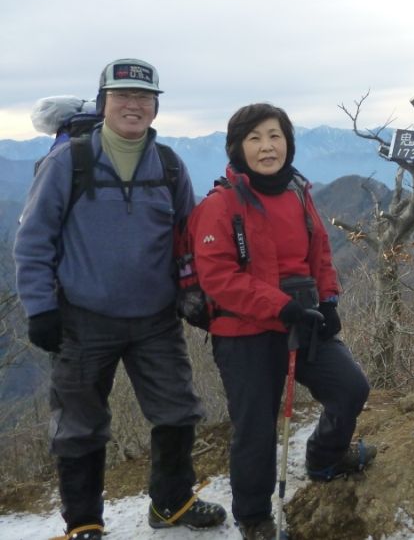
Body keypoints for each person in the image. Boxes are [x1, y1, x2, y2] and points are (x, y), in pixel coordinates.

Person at [14, 59, 226, 540]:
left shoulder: (169, 165)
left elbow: (188, 240)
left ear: (155, 108)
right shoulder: (69, 161)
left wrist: (194, 294)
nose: (133, 105)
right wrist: (40, 308)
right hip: (82, 319)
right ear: (103, 101)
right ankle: (83, 522)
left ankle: (171, 503)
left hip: (156, 319)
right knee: (80, 425)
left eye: (144, 98)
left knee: (177, 410)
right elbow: (33, 240)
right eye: (123, 96)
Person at [190, 103, 375, 540]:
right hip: (245, 331)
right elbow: (217, 277)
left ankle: (324, 457)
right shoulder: (220, 205)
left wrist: (328, 300)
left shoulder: (297, 191)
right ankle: (254, 516)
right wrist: (279, 306)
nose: (267, 146)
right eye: (254, 138)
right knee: (255, 426)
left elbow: (320, 252)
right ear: (237, 148)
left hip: (304, 318)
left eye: (274, 136)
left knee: (350, 388)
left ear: (288, 142)